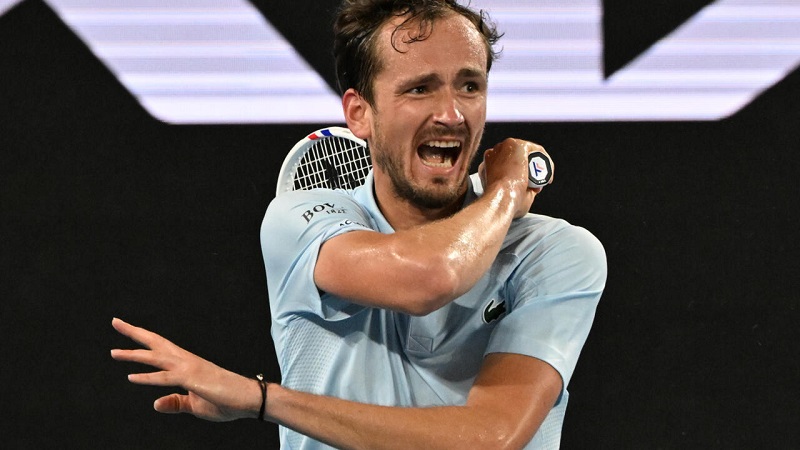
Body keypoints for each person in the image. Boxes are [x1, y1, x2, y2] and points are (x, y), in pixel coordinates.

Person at [111, 1, 606, 449]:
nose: (452, 114)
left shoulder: (556, 251)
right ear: (359, 113)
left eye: (469, 86)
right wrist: (505, 192)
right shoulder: (300, 221)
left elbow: (490, 436)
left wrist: (261, 399)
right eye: (420, 88)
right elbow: (429, 277)